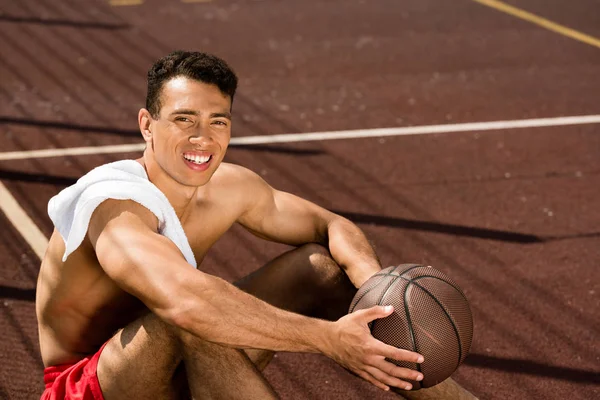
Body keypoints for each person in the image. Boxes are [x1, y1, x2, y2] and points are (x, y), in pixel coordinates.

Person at [36, 50, 476, 399]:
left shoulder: (229, 187)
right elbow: (186, 304)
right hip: (91, 386)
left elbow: (330, 224)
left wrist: (374, 287)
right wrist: (328, 338)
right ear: (147, 125)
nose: (202, 139)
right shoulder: (114, 204)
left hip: (177, 364)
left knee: (319, 268)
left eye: (218, 122)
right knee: (192, 316)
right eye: (184, 120)